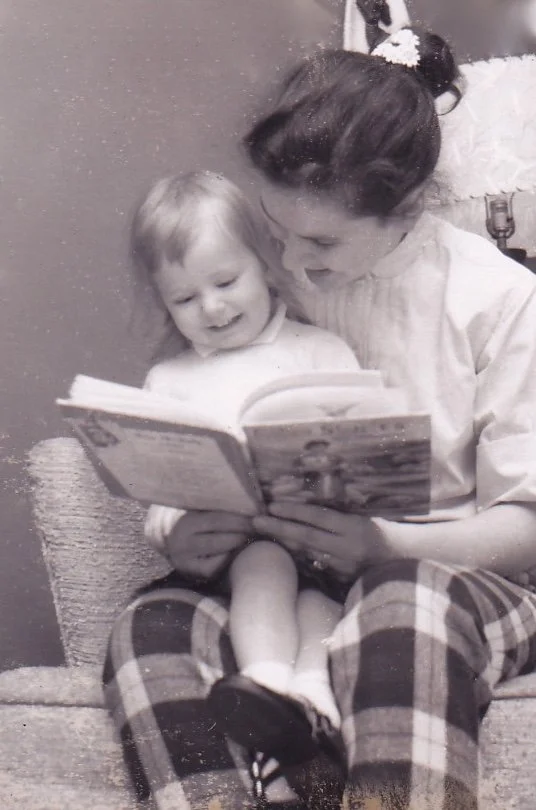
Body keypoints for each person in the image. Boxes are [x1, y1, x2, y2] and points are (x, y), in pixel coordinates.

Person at [103, 27, 536, 810]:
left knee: (400, 603)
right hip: (280, 565)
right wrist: (187, 532)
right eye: (274, 231)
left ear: (405, 205)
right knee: (151, 629)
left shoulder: (500, 300)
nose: (293, 266)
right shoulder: (271, 290)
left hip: (447, 572)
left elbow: (529, 524)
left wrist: (386, 543)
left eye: (323, 241)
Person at [131, 170, 362, 740]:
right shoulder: (169, 380)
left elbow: (362, 443)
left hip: (326, 544)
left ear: (264, 262)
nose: (211, 309)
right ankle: (265, 686)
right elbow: (159, 490)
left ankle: (311, 690)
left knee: (321, 602)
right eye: (185, 297)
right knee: (265, 563)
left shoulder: (321, 350)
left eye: (226, 281)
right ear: (163, 303)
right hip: (233, 554)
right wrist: (170, 524)